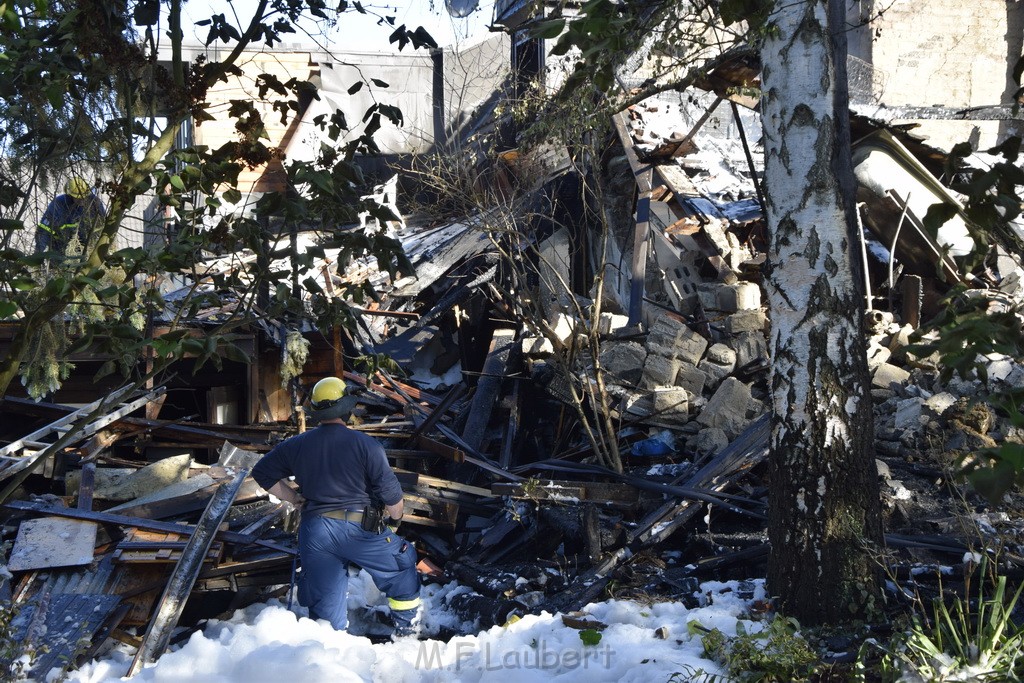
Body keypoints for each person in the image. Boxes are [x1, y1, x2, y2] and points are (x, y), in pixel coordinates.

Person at [251, 376, 421, 637]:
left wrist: (294, 498)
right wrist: (395, 523)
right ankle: (408, 633)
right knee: (401, 568)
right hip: (360, 529)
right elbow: (392, 496)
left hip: (316, 532)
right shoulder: (366, 445)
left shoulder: (296, 445)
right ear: (347, 407)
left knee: (324, 605)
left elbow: (262, 473)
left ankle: (331, 650)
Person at [35, 176, 107, 258]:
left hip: (87, 248)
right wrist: (38, 255)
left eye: (84, 196)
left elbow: (105, 227)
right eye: (78, 198)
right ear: (70, 195)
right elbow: (44, 231)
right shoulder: (58, 205)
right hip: (60, 248)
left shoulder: (95, 203)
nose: (82, 199)